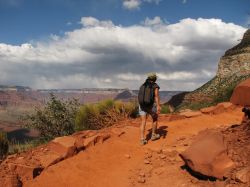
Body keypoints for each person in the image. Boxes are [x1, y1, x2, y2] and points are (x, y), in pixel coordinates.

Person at [138, 72, 161, 145]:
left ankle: (142, 139)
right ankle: (153, 135)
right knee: (154, 118)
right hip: (150, 105)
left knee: (143, 121)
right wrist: (158, 105)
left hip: (142, 105)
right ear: (154, 78)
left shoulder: (143, 85)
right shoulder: (155, 86)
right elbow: (156, 96)